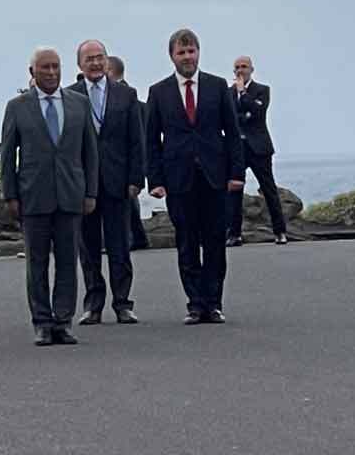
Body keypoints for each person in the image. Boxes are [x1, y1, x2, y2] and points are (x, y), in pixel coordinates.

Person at [145, 29, 245, 325]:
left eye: (191, 51)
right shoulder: (159, 91)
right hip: (178, 177)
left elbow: (233, 134)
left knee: (215, 240)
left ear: (198, 53)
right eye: (181, 52)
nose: (187, 57)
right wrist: (156, 180)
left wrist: (236, 173)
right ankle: (195, 304)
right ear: (172, 56)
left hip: (214, 176)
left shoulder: (217, 87)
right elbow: (151, 139)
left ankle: (213, 303)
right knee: (186, 241)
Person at [2, 47, 98, 346]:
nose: (52, 73)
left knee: (69, 261)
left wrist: (91, 191)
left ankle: (63, 320)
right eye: (45, 68)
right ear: (32, 72)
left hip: (71, 193)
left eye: (56, 67)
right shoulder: (17, 106)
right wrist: (10, 195)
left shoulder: (79, 104)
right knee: (37, 263)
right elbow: (7, 156)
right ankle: (42, 322)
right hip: (33, 195)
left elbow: (90, 153)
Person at [68, 40, 144, 324]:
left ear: (107, 61)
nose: (96, 63)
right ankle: (93, 304)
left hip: (118, 181)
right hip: (84, 185)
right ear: (80, 64)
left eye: (100, 58)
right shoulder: (70, 96)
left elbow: (137, 140)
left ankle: (123, 303)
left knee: (119, 246)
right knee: (87, 248)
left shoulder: (126, 95)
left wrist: (137, 178)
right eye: (89, 59)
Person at [227, 56, 288, 246]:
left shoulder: (262, 90)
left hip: (259, 148)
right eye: (237, 67)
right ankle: (234, 234)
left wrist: (243, 93)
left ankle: (280, 231)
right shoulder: (227, 93)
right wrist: (244, 113)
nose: (240, 70)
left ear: (251, 69)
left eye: (244, 67)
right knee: (234, 191)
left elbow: (258, 112)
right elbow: (229, 118)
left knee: (269, 189)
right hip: (237, 149)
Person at [108, 55, 151, 252]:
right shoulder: (139, 101)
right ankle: (137, 237)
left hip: (125, 157)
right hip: (135, 156)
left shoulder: (123, 96)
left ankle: (132, 238)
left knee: (127, 201)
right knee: (129, 200)